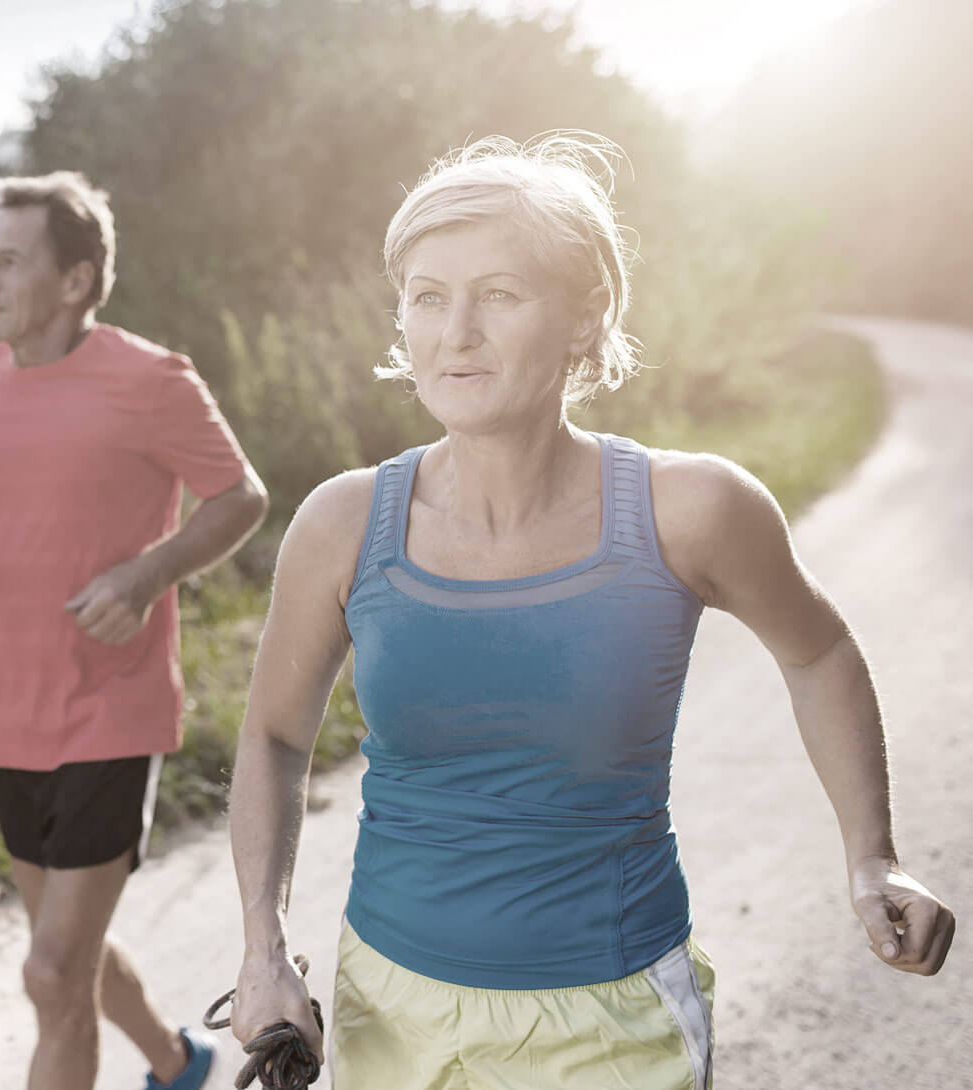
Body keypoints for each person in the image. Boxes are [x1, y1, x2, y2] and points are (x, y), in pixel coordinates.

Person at [226, 133, 955, 1089]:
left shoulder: (691, 510)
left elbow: (819, 655)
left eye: (499, 294)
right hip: (387, 1009)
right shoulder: (343, 523)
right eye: (428, 297)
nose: (456, 333)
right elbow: (276, 736)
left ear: (585, 315)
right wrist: (262, 949)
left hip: (614, 1016)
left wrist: (873, 859)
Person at [0, 171, 268, 1090]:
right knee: (67, 955)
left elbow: (240, 496)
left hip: (114, 705)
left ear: (74, 279)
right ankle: (179, 1062)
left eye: (7, 261)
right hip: (12, 710)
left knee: (53, 971)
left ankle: (171, 1063)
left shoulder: (151, 380)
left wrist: (146, 575)